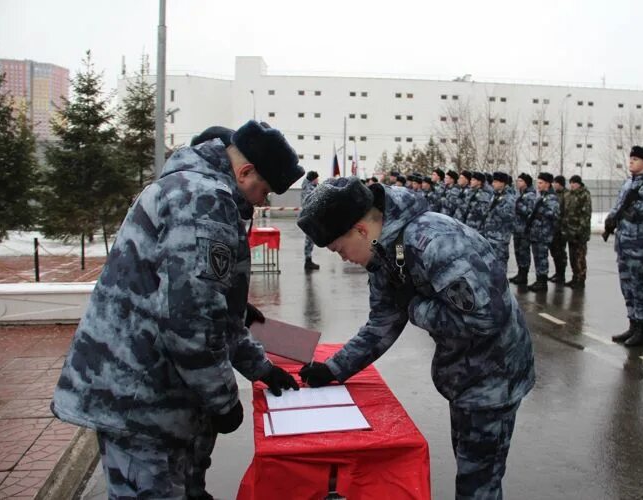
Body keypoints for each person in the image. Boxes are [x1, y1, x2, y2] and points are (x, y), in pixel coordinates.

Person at [50, 121, 303, 499]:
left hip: (155, 393)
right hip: (140, 403)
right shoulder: (203, 200)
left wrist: (261, 367)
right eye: (263, 190)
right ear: (245, 171)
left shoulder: (196, 189)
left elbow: (221, 310)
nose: (263, 201)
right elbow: (192, 321)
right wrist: (223, 400)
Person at [296, 176, 535, 500]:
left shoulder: (435, 243)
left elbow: (486, 320)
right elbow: (382, 322)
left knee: (478, 482)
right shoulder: (384, 253)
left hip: (495, 374)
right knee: (471, 469)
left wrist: (415, 306)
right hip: (465, 373)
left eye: (339, 248)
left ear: (361, 230)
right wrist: (335, 369)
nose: (343, 258)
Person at [607, 146, 643, 346]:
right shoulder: (627, 184)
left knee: (639, 287)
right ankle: (632, 324)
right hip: (624, 243)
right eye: (630, 158)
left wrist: (638, 204)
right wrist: (611, 218)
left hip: (640, 244)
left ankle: (642, 328)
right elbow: (619, 205)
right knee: (627, 286)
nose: (631, 162)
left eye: (635, 159)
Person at [527, 172, 560, 292]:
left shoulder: (551, 197)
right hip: (536, 233)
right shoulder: (541, 196)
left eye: (540, 183)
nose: (538, 185)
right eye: (538, 182)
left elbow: (554, 214)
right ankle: (539, 279)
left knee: (542, 258)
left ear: (547, 184)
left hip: (544, 233)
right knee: (537, 257)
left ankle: (542, 282)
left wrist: (541, 211)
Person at [480, 171, 516, 270]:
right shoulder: (495, 195)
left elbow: (509, 216)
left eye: (496, 181)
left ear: (502, 183)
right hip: (491, 235)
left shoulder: (509, 197)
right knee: (491, 262)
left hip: (500, 237)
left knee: (500, 263)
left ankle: (501, 284)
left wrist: (497, 207)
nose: (493, 184)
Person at [562, 175, 592, 289]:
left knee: (580, 257)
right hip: (570, 232)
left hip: (580, 233)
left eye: (574, 183)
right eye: (571, 183)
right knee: (572, 257)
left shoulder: (584, 194)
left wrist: (580, 230)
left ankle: (581, 279)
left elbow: (586, 214)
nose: (572, 185)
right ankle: (575, 277)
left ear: (579, 183)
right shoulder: (569, 194)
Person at [509, 173, 537, 285]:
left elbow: (530, 212)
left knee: (524, 252)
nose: (518, 182)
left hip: (525, 229)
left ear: (526, 182)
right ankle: (520, 273)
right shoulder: (519, 194)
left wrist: (518, 205)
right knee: (518, 252)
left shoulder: (530, 195)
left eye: (520, 181)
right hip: (517, 228)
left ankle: (524, 275)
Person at [302, 170, 321, 271]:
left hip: (310, 217)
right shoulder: (309, 189)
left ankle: (308, 261)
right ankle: (308, 262)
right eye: (317, 178)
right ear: (313, 179)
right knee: (309, 240)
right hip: (309, 218)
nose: (318, 180)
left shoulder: (310, 187)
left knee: (310, 240)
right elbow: (311, 201)